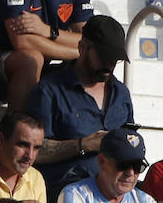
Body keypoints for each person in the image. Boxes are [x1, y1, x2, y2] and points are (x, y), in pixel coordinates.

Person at [25, 15, 134, 187]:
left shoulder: (121, 93)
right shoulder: (49, 90)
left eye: (115, 59)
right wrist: (83, 145)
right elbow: (33, 151)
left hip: (115, 193)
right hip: (66, 189)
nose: (110, 64)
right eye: (103, 56)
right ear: (82, 47)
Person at [0, 113, 50, 203]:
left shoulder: (35, 177)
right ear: (0, 140)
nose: (30, 156)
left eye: (36, 148)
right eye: (22, 145)